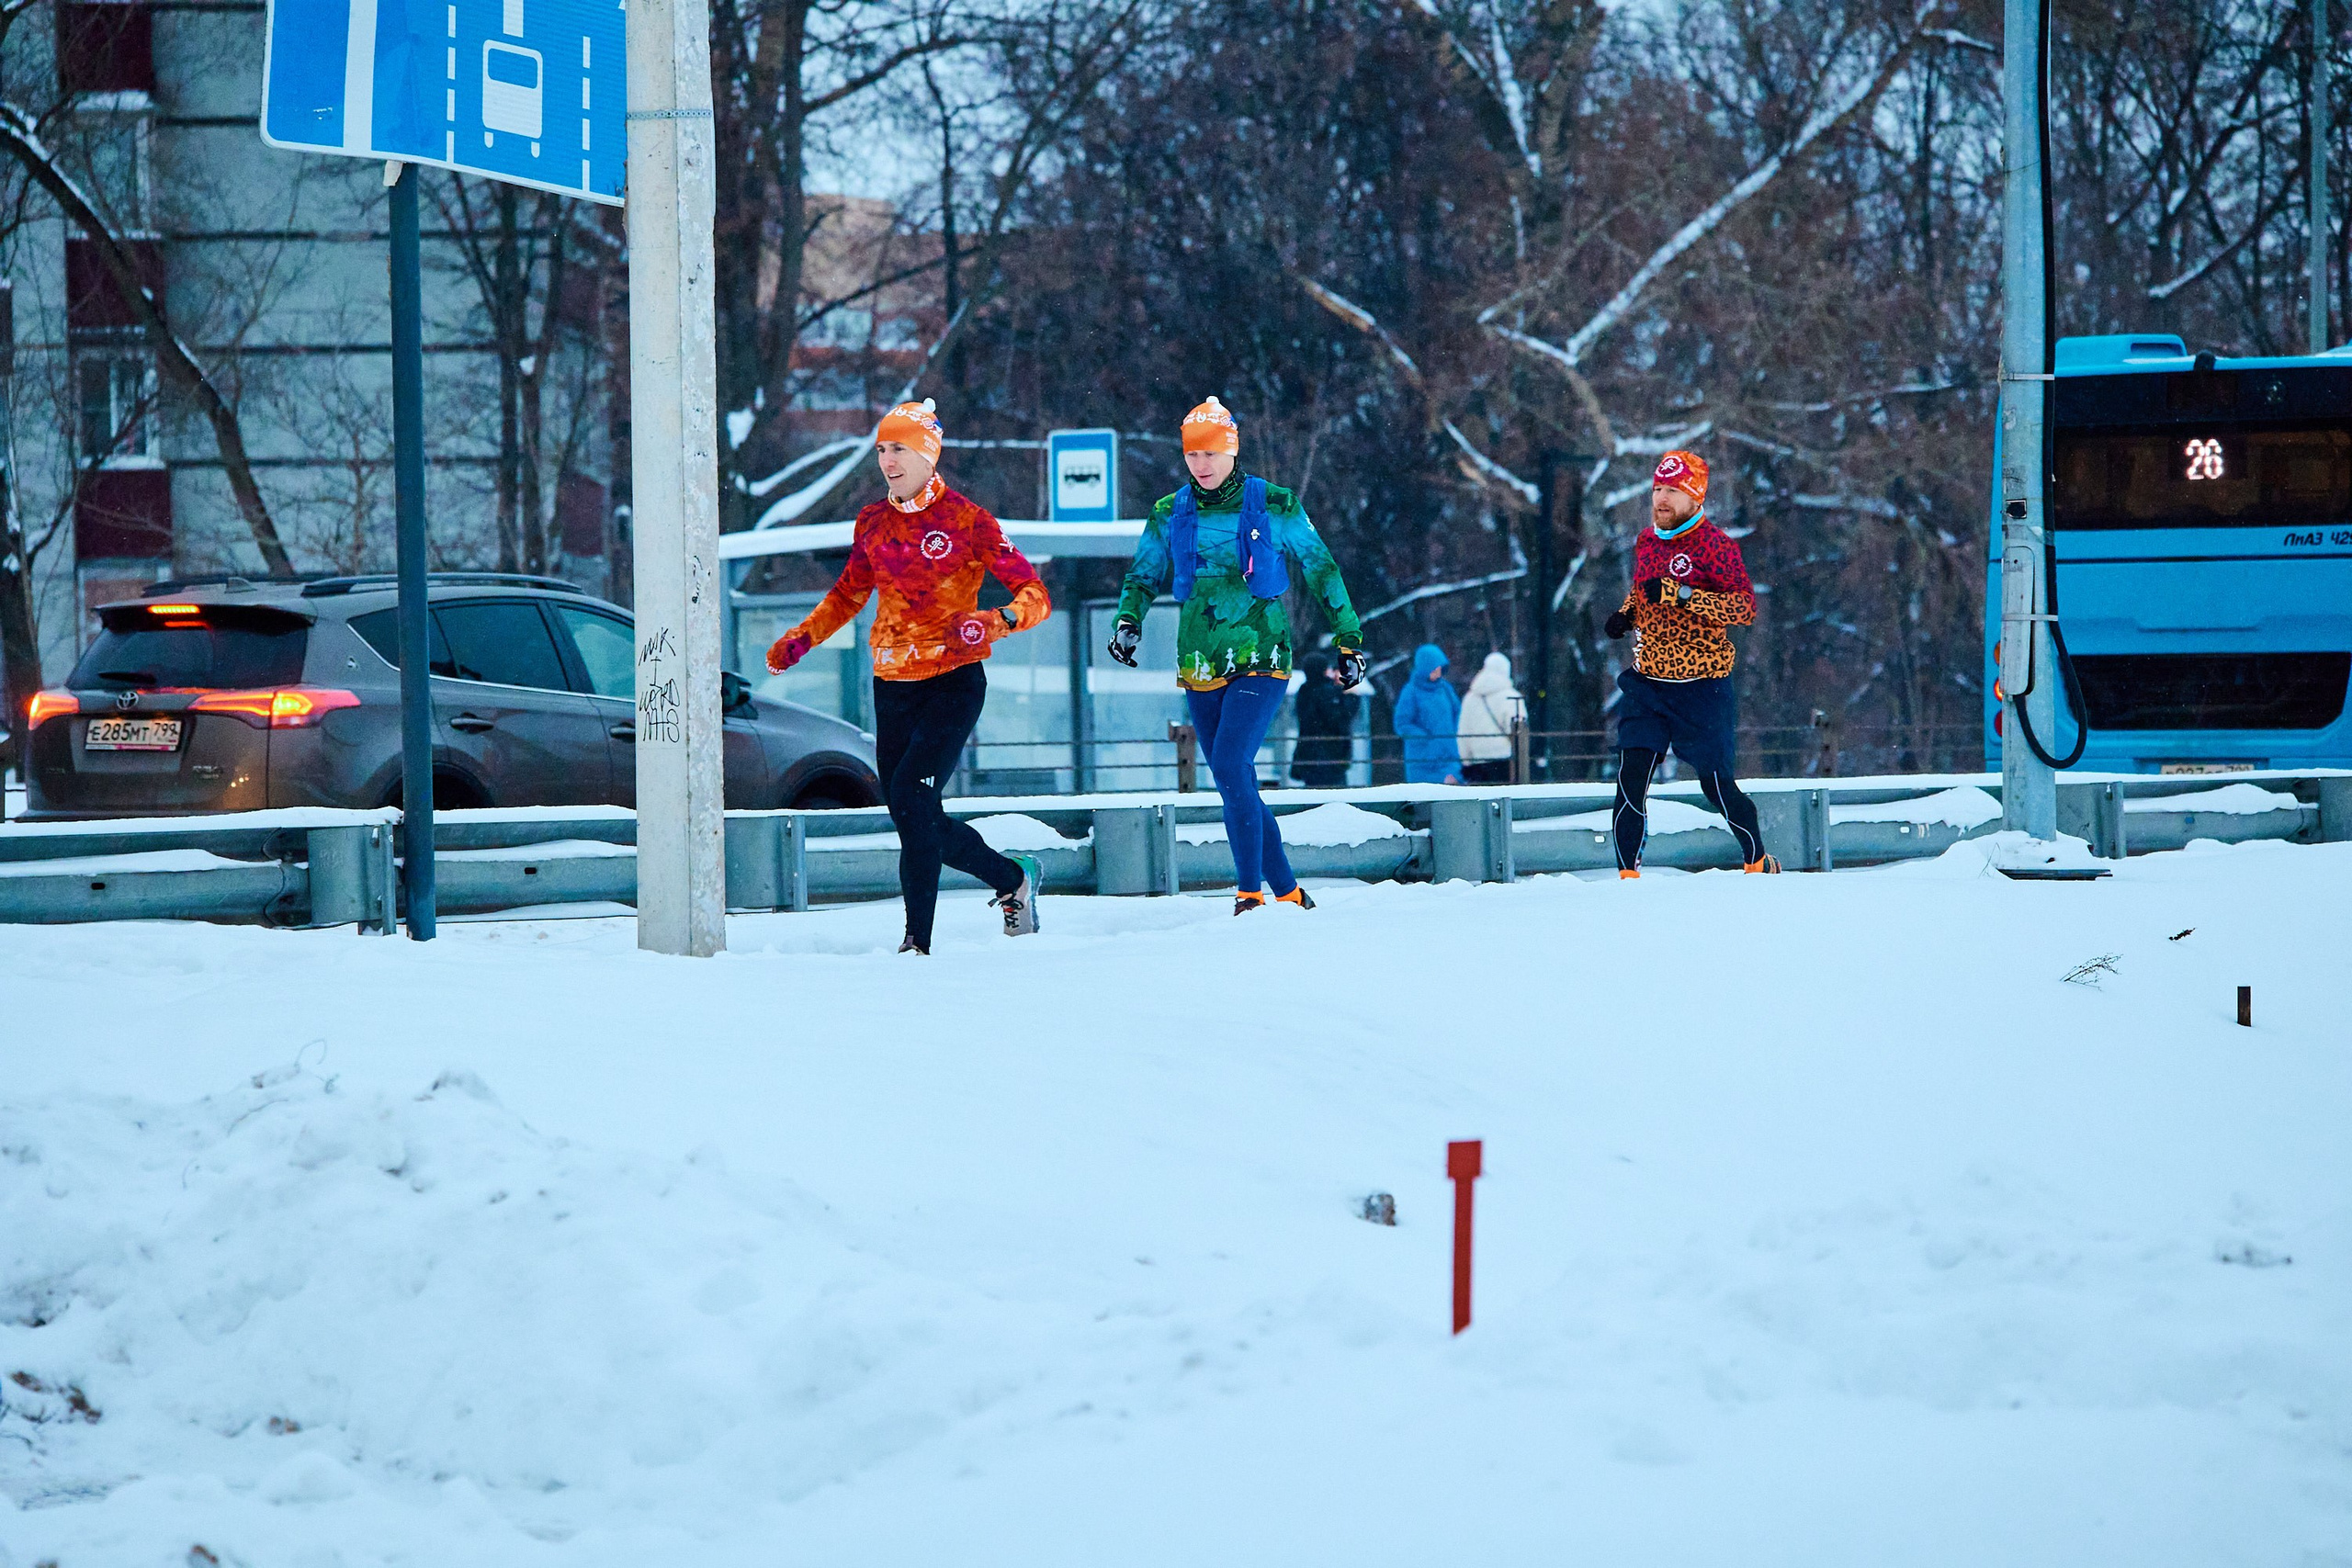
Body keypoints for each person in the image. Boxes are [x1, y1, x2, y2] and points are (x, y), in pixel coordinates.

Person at [766, 398, 1052, 953]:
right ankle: (1010, 877)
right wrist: (802, 638)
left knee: (912, 800)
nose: (888, 460)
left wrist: (994, 622)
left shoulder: (969, 520)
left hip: (953, 680)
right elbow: (848, 593)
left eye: (899, 448)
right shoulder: (872, 521)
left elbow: (1036, 595)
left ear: (928, 454)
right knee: (909, 812)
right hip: (892, 681)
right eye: (881, 449)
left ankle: (916, 943)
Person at [1107, 396, 1368, 914]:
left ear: (1231, 451)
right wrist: (1128, 620)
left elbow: (1321, 568)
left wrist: (1349, 638)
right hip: (1198, 660)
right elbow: (1143, 574)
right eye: (1192, 454)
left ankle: (1249, 893)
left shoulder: (1276, 504)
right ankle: (1290, 891)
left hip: (1262, 652)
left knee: (1229, 763)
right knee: (1235, 779)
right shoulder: (1169, 511)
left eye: (1210, 453)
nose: (1200, 464)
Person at [1601, 449, 1779, 876]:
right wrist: (1626, 614)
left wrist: (1682, 595)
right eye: (1657, 489)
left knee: (1716, 785)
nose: (1661, 499)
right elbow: (1644, 589)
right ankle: (1627, 880)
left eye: (1672, 491)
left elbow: (1743, 609)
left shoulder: (1716, 546)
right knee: (1631, 779)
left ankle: (1757, 861)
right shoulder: (1647, 540)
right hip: (1647, 684)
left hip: (1701, 687)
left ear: (1695, 497)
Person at [1391, 644, 1463, 784]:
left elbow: (1457, 712)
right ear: (1424, 668)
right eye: (1434, 670)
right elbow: (1402, 723)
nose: (1438, 674)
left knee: (1453, 792)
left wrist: (1452, 733)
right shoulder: (1411, 691)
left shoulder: (1445, 688)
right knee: (1427, 795)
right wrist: (1425, 739)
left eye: (1440, 669)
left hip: (1449, 754)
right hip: (1423, 759)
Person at [1289, 649, 1355, 789]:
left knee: (1313, 791)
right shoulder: (1327, 691)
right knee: (1335, 792)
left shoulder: (1304, 690)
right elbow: (1339, 719)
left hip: (1308, 752)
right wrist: (1350, 697)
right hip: (1331, 753)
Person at [1456, 651, 1525, 785]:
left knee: (1481, 797)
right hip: (1505, 761)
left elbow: (1463, 732)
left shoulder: (1470, 698)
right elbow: (1519, 731)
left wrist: (1466, 761)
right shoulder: (1512, 697)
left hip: (1478, 763)